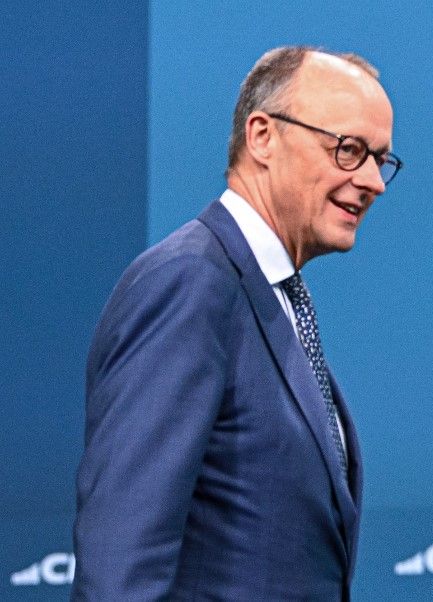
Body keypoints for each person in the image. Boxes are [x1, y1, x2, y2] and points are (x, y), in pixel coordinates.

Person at [73, 46, 400, 600]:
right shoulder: (188, 283)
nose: (373, 181)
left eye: (380, 158)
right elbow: (120, 559)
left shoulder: (272, 297)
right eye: (348, 150)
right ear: (262, 136)